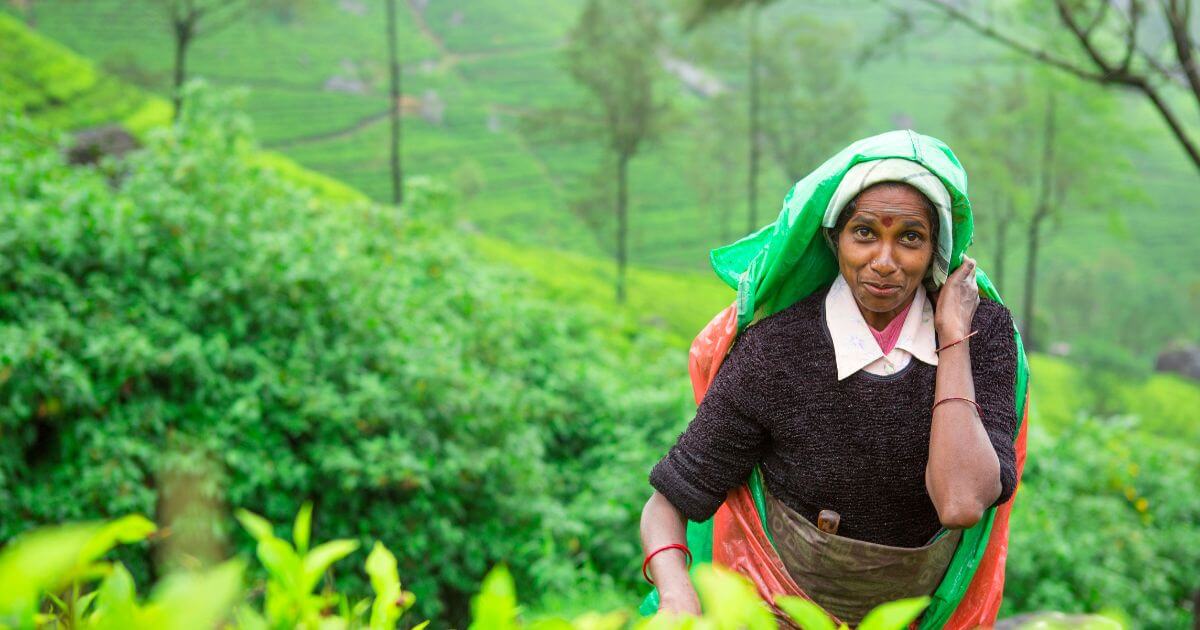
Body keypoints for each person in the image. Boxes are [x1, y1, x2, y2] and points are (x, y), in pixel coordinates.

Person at [639, 153, 1020, 624]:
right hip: (782, 612)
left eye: (910, 238)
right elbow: (669, 502)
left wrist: (954, 338)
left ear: (936, 251)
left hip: (919, 619)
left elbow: (961, 502)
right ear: (834, 239)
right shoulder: (777, 351)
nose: (884, 262)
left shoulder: (983, 333)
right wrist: (677, 594)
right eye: (864, 233)